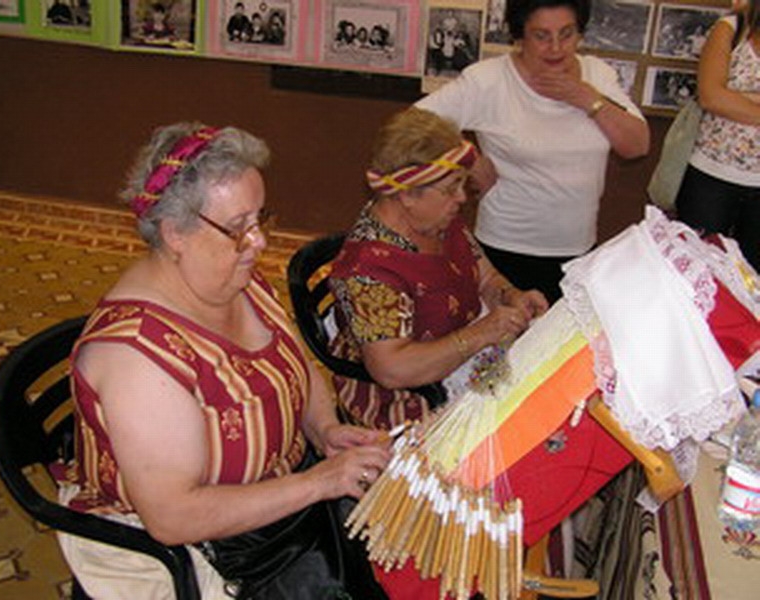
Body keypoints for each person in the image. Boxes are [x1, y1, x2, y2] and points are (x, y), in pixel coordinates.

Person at [56, 123, 391, 599]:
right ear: (175, 233)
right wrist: (319, 483)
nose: (258, 242)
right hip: (210, 549)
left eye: (259, 219)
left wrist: (324, 429)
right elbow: (174, 518)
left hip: (278, 514)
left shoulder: (238, 281)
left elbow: (297, 366)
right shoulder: (138, 358)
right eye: (238, 228)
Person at [329, 108, 548, 430]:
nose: (461, 198)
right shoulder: (368, 269)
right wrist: (482, 333)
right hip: (404, 401)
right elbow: (392, 369)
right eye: (450, 189)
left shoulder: (436, 220)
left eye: (461, 184)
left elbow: (485, 275)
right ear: (405, 194)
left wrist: (509, 295)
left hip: (457, 362)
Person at [416, 0, 649, 303]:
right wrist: (466, 158)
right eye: (541, 36)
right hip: (506, 251)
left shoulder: (598, 75)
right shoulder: (489, 80)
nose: (556, 48)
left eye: (566, 34)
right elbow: (414, 124)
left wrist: (587, 98)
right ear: (520, 37)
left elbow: (637, 146)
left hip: (578, 251)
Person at [675, 0, 760, 271]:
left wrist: (738, 99)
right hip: (711, 180)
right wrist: (729, 99)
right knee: (697, 273)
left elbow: (723, 97)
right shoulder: (731, 28)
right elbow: (711, 96)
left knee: (753, 283)